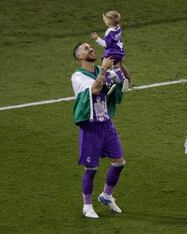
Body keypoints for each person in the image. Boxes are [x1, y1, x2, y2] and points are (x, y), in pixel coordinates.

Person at [71, 42, 126, 219]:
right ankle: (87, 206)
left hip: (106, 124)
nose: (91, 49)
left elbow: (124, 84)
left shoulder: (101, 69)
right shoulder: (78, 76)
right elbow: (95, 89)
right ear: (80, 56)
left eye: (91, 47)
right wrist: (104, 70)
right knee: (91, 168)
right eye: (86, 48)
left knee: (119, 162)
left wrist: (120, 64)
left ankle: (106, 195)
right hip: (91, 126)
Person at [90, 10, 130, 95]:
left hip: (111, 52)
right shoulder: (118, 28)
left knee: (105, 67)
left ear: (109, 22)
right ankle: (123, 79)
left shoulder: (109, 32)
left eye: (105, 19)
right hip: (119, 52)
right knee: (115, 67)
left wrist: (97, 38)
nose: (104, 20)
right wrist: (107, 18)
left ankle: (109, 84)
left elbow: (106, 44)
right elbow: (113, 21)